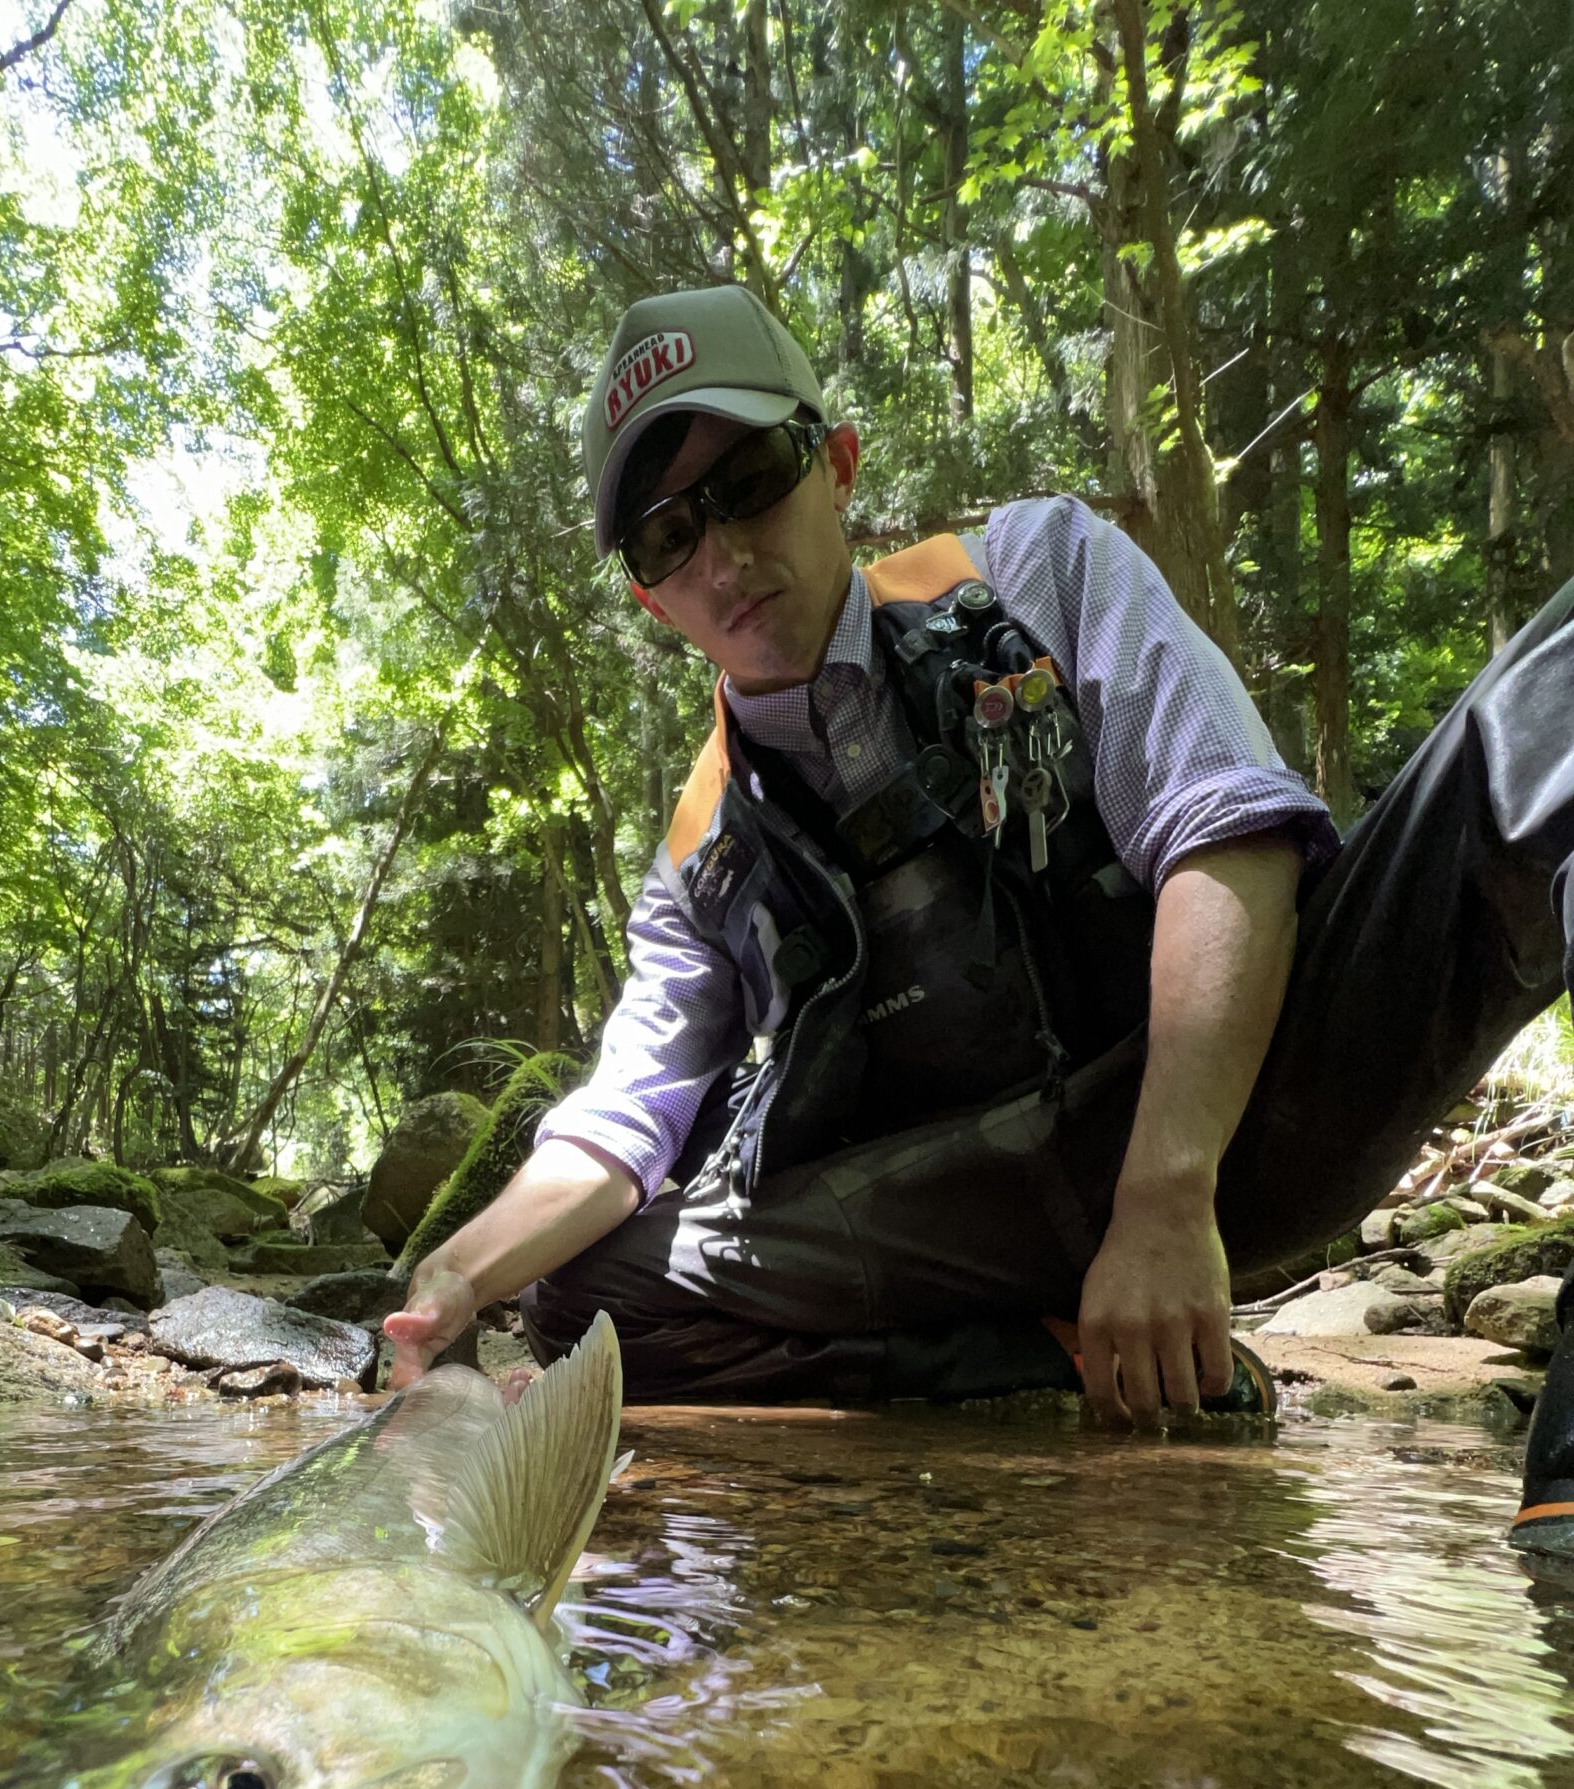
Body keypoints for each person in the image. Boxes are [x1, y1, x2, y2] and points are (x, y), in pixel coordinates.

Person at [385, 284, 1574, 1536]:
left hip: (1245, 1109)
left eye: (749, 481)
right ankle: (1037, 1364)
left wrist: (1166, 1199)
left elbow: (1226, 830)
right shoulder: (697, 850)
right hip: (965, 1224)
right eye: (668, 535)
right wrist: (454, 1273)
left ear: (834, 464)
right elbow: (623, 1122)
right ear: (645, 594)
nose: (722, 556)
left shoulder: (1039, 571)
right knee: (579, 1297)